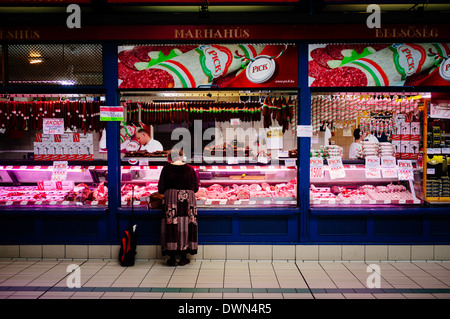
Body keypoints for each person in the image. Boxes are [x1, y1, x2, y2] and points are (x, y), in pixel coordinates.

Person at [158, 148, 199, 266]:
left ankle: (171, 258)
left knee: (171, 225)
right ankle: (183, 257)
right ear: (182, 157)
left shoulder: (166, 169)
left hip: (171, 200)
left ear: (169, 158)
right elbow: (196, 188)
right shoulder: (190, 169)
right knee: (186, 225)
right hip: (187, 201)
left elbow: (160, 189)